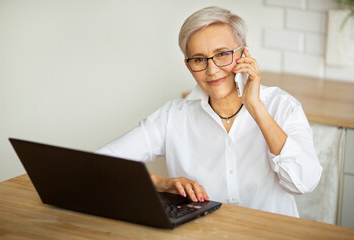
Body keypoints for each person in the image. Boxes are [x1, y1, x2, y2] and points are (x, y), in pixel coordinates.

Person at [96, 6, 322, 217]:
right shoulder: (173, 117)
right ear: (188, 65)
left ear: (244, 53)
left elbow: (304, 183)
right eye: (199, 59)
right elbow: (99, 165)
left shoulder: (283, 106)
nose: (212, 70)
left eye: (222, 54)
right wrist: (161, 184)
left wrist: (256, 108)